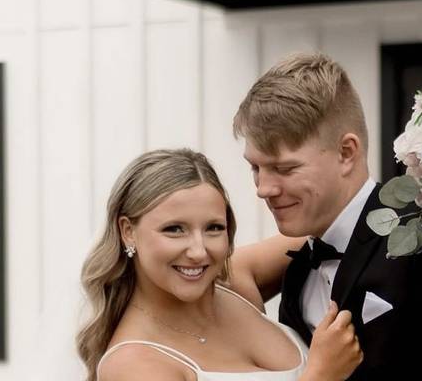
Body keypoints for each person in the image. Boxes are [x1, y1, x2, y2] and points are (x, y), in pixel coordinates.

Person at [233, 53, 422, 380]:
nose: (263, 188)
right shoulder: (297, 272)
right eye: (255, 167)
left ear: (346, 153)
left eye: (284, 168)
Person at [77, 148, 363, 381]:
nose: (199, 252)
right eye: (175, 229)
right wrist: (322, 375)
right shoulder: (132, 365)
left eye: (213, 228)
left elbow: (341, 222)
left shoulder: (235, 278)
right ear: (128, 231)